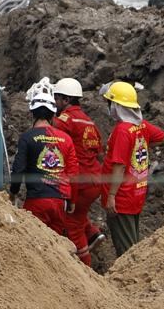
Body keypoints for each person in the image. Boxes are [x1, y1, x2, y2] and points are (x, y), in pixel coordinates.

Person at [9, 80, 80, 255]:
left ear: (32, 112)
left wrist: (12, 194)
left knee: (34, 250)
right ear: (53, 113)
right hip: (59, 201)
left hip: (36, 201)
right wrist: (72, 200)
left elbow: (18, 170)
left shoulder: (27, 137)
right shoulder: (66, 139)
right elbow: (74, 174)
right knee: (56, 251)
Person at [101, 80, 164, 256]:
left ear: (117, 106)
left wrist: (111, 196)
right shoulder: (141, 125)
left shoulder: (122, 130)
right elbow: (163, 137)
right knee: (132, 240)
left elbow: (119, 166)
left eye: (110, 103)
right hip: (137, 193)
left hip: (122, 197)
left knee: (127, 251)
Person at [51, 76, 107, 266]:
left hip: (81, 182)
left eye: (57, 98)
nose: (55, 103)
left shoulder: (66, 119)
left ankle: (85, 267)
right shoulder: (89, 123)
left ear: (66, 100)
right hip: (95, 180)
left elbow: (51, 135)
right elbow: (99, 153)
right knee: (79, 214)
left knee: (71, 223)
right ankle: (93, 233)